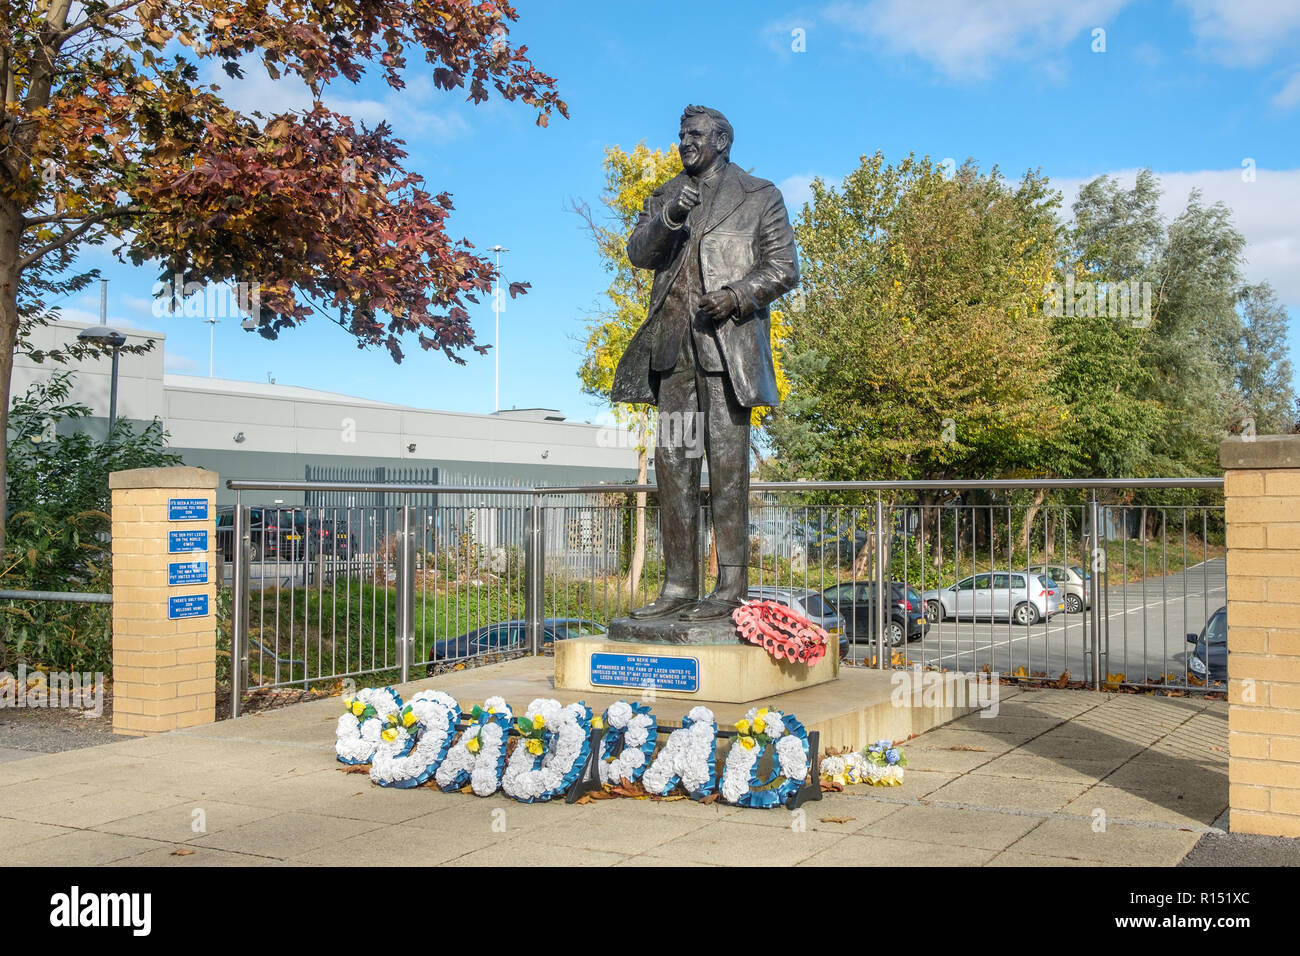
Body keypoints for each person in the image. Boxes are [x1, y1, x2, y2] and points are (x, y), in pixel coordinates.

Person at [611, 105, 799, 622]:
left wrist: (738, 295)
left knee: (728, 468)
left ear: (722, 139)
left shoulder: (760, 195)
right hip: (674, 351)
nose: (684, 143)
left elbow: (784, 268)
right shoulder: (667, 193)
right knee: (673, 469)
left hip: (726, 350)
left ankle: (731, 586)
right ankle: (677, 586)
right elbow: (639, 254)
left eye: (693, 135)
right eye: (680, 136)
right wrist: (670, 216)